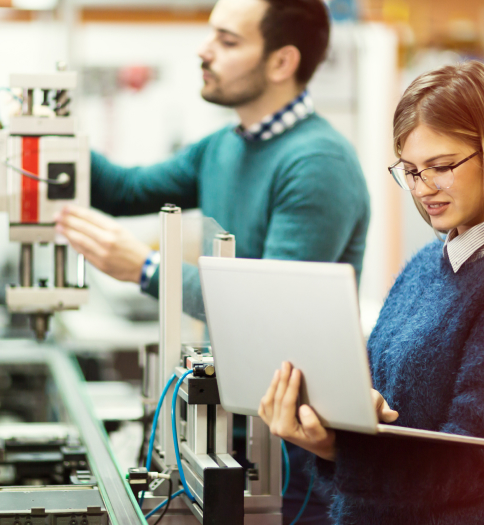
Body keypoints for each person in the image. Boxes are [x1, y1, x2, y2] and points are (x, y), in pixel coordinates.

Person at [55, 0, 370, 522]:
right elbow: (123, 189)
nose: (203, 51)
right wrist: (49, 127)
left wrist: (146, 268)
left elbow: (270, 306)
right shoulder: (222, 147)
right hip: (225, 428)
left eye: (227, 41)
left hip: (293, 453)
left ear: (280, 62)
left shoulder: (318, 163)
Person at [259, 59, 484, 525]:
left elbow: (470, 464)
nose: (424, 188)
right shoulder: (426, 265)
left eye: (441, 167)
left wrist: (342, 448)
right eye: (410, 170)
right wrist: (341, 424)